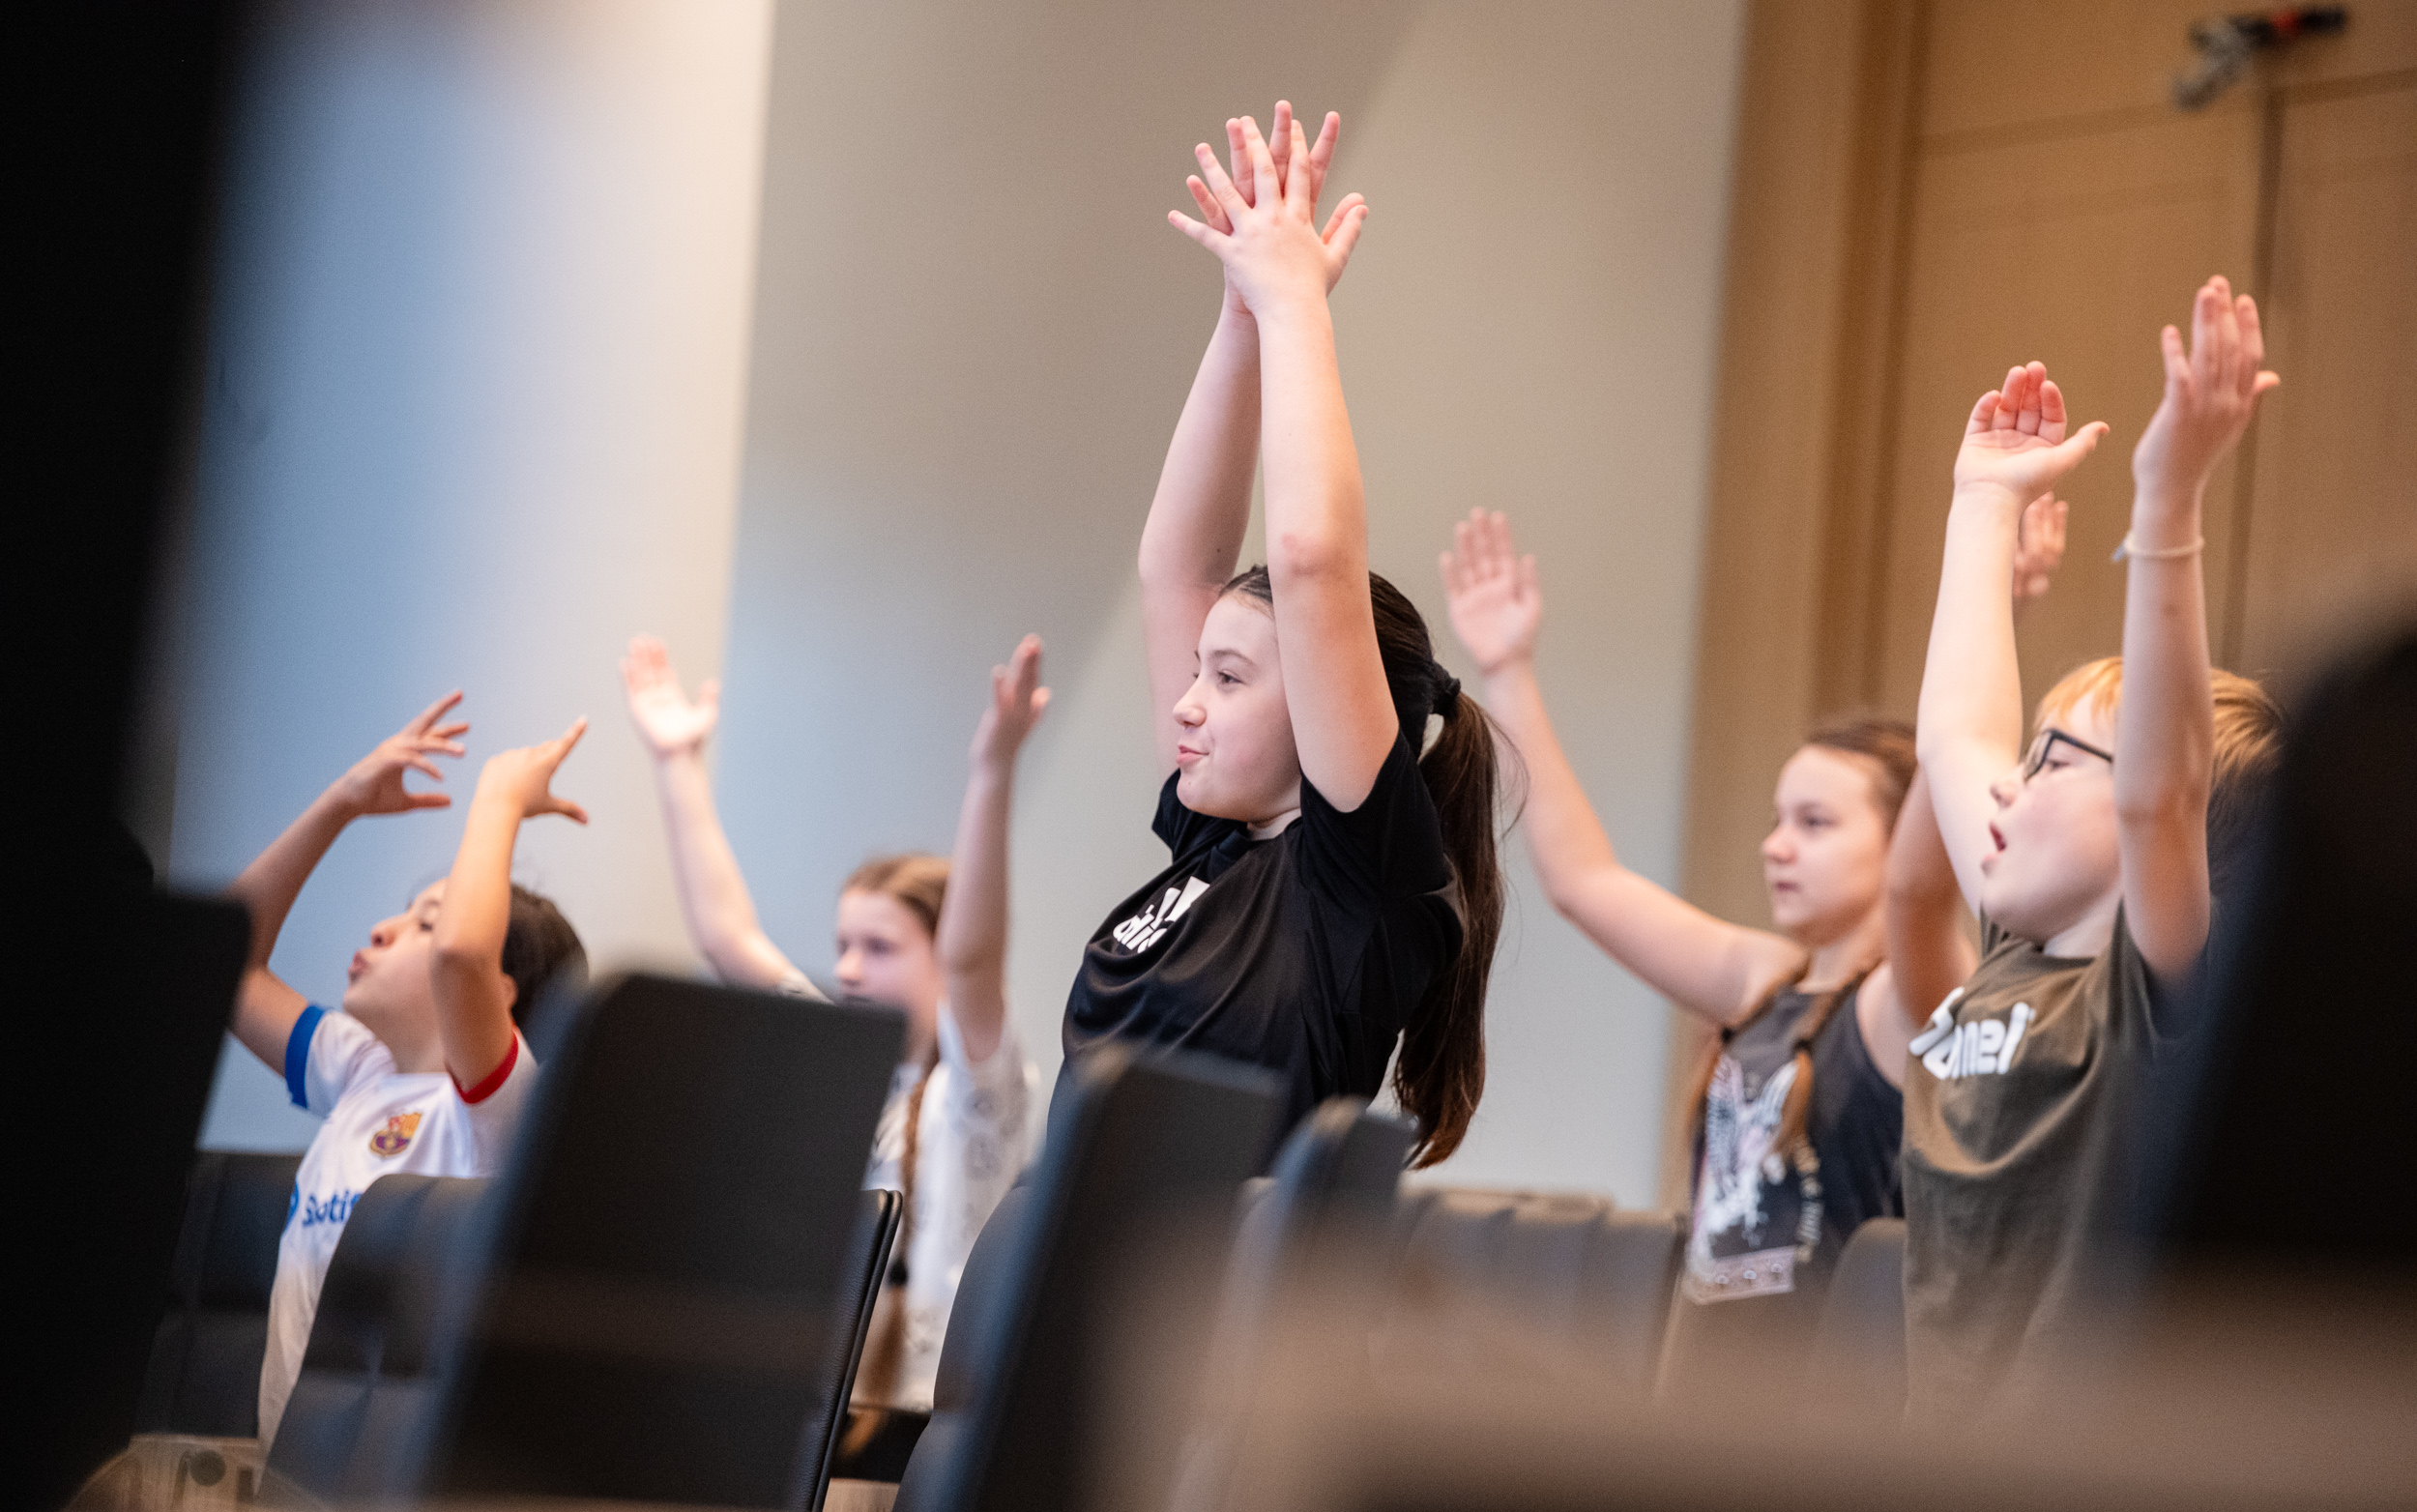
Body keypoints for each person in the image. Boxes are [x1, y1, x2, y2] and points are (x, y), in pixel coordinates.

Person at [1440, 503, 2048, 1389]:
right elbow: (1584, 883)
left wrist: (1996, 616)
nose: (1776, 846)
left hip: (1827, 1416)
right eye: (1776, 819)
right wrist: (1507, 671)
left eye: (1815, 822)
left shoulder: (1907, 999)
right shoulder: (1766, 978)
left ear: (1902, 838)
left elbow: (1923, 877)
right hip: (1702, 1398)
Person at [1057, 104, 1501, 1167]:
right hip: (1069, 1247)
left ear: (1326, 703)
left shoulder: (1358, 881)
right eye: (1199, 670)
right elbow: (1175, 568)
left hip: (1213, 1271)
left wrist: (1297, 304)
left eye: (1228, 677)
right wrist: (1241, 311)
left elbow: (1311, 558)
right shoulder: (1215, 838)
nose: (1185, 701)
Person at [1900, 276, 2286, 1417]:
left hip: (2078, 1478)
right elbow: (1952, 730)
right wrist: (1981, 501)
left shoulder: (2147, 994)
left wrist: (2166, 504)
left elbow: (2157, 795)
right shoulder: (2010, 943)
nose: (2009, 780)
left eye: (2057, 759)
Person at [620, 633, 1045, 1410]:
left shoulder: (975, 1093)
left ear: (941, 954)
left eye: (879, 948)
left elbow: (976, 958)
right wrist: (676, 761)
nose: (847, 969)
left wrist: (993, 772)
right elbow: (728, 938)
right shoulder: (851, 1071)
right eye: (843, 945)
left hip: (911, 1422)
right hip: (820, 1410)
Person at [225, 693, 588, 1446]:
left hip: (385, 1478)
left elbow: (462, 954)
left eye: (425, 919)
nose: (384, 929)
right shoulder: (361, 1074)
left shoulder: (496, 1105)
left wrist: (499, 797)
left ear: (501, 990)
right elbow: (223, 961)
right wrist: (341, 802)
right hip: (286, 1464)